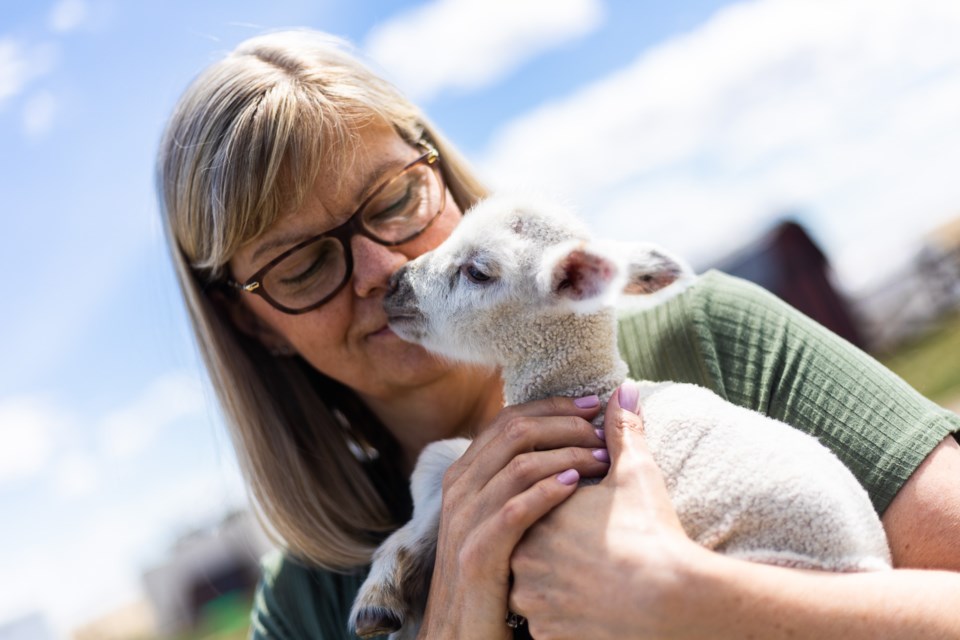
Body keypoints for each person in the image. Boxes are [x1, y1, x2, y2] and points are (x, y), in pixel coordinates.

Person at [156, 29, 960, 639]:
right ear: (250, 320)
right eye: (299, 265)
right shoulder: (313, 600)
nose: (379, 269)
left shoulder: (713, 346)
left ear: (436, 168)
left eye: (395, 199)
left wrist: (682, 596)